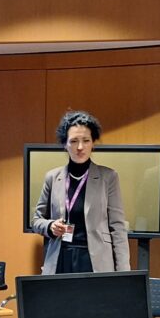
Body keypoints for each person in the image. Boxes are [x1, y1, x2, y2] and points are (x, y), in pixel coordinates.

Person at [31, 110, 130, 274]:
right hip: (60, 258)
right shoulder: (52, 177)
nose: (80, 147)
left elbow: (118, 228)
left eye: (86, 140)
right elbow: (36, 220)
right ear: (65, 144)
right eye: (73, 141)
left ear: (93, 143)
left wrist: (124, 273)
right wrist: (50, 226)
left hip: (95, 261)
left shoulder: (108, 177)